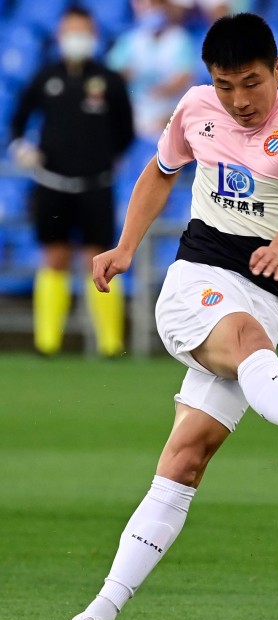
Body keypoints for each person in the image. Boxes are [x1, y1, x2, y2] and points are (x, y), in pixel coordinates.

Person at [43, 13, 278, 620]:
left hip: (263, 298)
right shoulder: (195, 108)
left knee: (184, 465)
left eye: (250, 82)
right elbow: (158, 172)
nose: (237, 99)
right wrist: (123, 247)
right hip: (197, 283)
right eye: (225, 84)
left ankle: (94, 618)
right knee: (245, 338)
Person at [8, 6, 135, 357]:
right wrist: (22, 148)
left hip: (97, 184)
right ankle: (46, 343)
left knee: (100, 259)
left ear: (93, 35)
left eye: (83, 31)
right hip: (53, 184)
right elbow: (18, 121)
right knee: (55, 255)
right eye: (70, 31)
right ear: (60, 35)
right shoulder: (44, 76)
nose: (76, 38)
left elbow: (125, 130)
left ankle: (111, 345)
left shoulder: (109, 80)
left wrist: (105, 157)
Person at [106, 0, 197, 140]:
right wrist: (126, 75)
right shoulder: (130, 40)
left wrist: (161, 91)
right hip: (135, 112)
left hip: (169, 112)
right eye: (146, 6)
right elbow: (112, 75)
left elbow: (184, 76)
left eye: (155, 6)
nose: (150, 11)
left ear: (164, 7)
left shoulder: (179, 39)